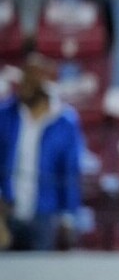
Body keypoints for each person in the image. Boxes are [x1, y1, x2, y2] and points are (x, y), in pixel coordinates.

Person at [0, 54, 84, 251]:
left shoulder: (65, 122)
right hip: (7, 211)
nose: (23, 86)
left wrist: (69, 214)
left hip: (45, 214)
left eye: (31, 81)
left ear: (46, 84)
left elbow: (70, 171)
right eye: (23, 79)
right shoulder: (5, 115)